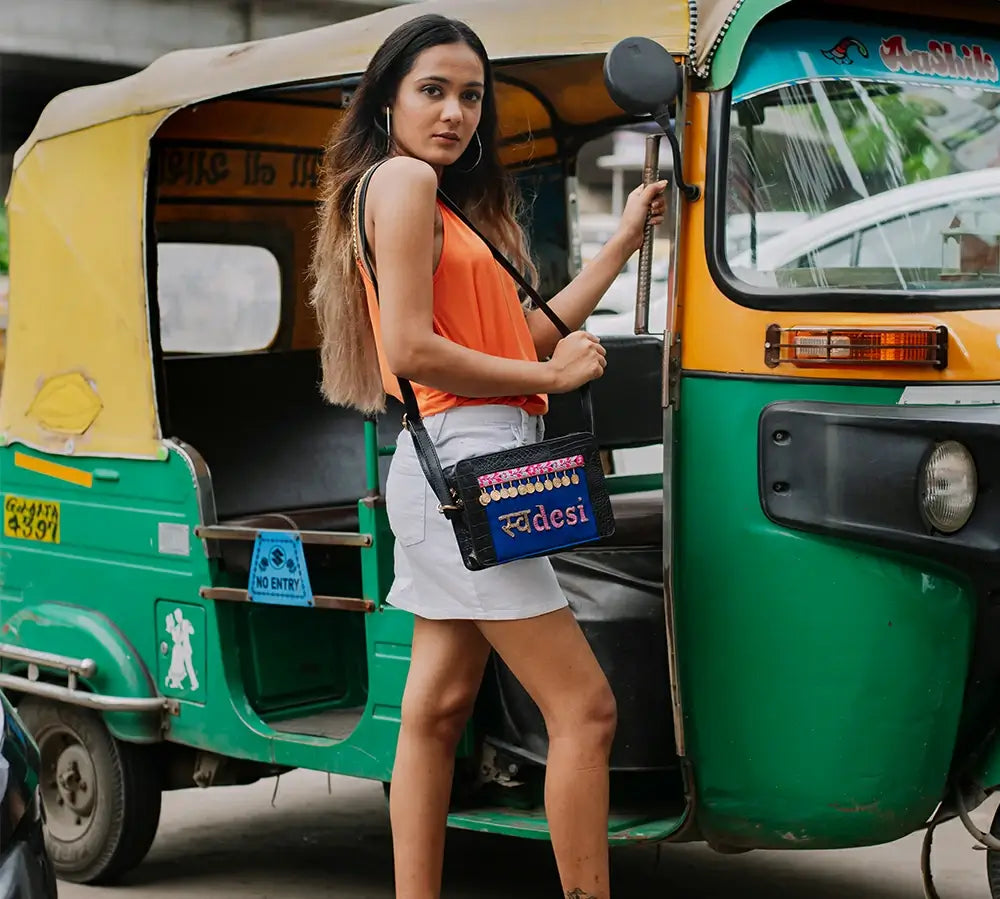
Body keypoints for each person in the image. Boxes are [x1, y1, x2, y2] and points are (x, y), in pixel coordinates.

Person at [309, 14, 666, 899]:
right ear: (385, 98)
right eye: (432, 90)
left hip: (458, 471)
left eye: (471, 96)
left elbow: (528, 328)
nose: (455, 112)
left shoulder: (444, 204)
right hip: (472, 465)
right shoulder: (399, 180)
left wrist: (619, 243)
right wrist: (545, 370)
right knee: (586, 709)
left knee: (432, 715)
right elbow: (412, 347)